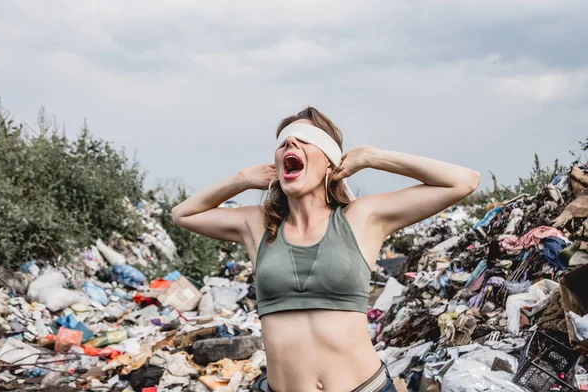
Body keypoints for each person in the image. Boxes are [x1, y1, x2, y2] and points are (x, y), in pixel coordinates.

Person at [172, 106, 480, 392]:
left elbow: (464, 182)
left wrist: (373, 157)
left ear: (330, 161)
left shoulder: (362, 217)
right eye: (283, 143)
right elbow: (183, 214)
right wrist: (240, 180)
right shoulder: (258, 225)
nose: (290, 142)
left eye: (304, 139)